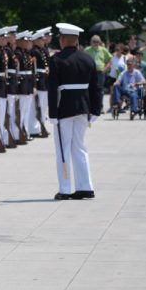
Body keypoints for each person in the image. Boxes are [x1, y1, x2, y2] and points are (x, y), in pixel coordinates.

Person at [48, 23, 101, 200]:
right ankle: (85, 187)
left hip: (64, 109)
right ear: (76, 40)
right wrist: (95, 110)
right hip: (84, 109)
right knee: (79, 147)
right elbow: (96, 88)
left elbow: (52, 90)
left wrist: (53, 114)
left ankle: (64, 189)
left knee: (63, 149)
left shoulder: (56, 60)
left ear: (63, 40)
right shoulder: (88, 59)